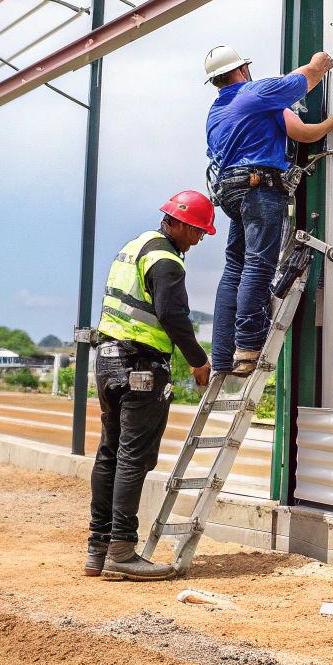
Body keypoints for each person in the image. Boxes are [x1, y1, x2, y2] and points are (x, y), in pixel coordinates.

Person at [85, 189, 217, 581]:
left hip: (108, 361)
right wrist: (198, 360)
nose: (198, 240)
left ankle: (98, 549)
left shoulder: (136, 245)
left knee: (109, 453)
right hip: (140, 366)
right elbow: (173, 316)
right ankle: (122, 551)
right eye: (196, 231)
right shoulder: (166, 261)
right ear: (176, 222)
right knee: (132, 458)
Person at [202, 44, 333, 376]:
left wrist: (325, 124)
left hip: (228, 189)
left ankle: (224, 355)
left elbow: (293, 122)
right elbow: (304, 81)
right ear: (242, 71)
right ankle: (248, 347)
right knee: (258, 266)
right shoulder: (256, 94)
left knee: (234, 270)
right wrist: (318, 65)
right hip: (258, 186)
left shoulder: (218, 111)